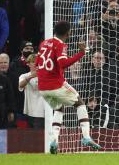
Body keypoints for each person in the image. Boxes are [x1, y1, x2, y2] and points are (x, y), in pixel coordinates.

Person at [36, 21, 100, 154]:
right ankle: (86, 137)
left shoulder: (43, 43)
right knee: (80, 103)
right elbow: (63, 63)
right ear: (68, 33)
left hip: (42, 87)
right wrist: (81, 53)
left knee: (59, 108)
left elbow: (37, 63)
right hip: (55, 85)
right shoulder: (61, 44)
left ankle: (54, 139)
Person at [18, 54, 45, 128]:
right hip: (30, 113)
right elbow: (20, 85)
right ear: (28, 64)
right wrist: (31, 76)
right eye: (34, 62)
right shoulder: (24, 76)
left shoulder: (46, 76)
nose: (37, 64)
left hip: (44, 112)